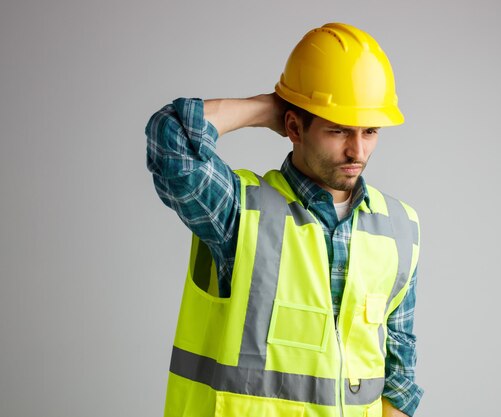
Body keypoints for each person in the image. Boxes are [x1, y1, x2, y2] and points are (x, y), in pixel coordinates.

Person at [145, 22, 423, 417]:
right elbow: (169, 138)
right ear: (293, 126)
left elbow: (399, 373)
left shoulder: (400, 227)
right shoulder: (240, 213)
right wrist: (267, 108)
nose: (357, 150)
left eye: (370, 131)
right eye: (338, 130)